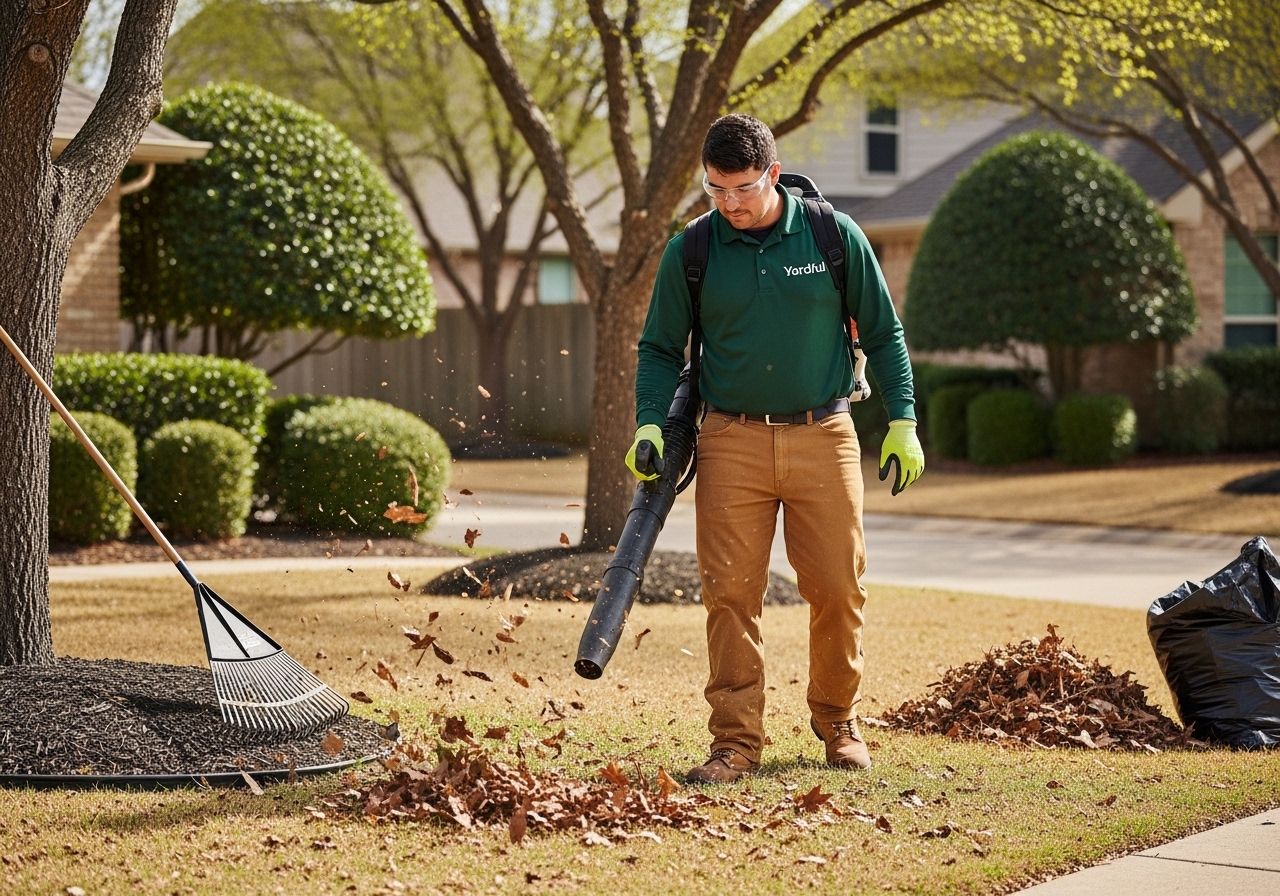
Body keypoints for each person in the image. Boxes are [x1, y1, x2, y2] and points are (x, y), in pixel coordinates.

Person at [626, 114, 924, 784]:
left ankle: (837, 719)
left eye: (744, 188)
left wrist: (903, 418)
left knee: (839, 588)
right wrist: (649, 422)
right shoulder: (694, 249)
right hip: (730, 438)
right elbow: (659, 348)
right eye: (716, 190)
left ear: (775, 174)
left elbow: (884, 332)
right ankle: (734, 742)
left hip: (825, 433)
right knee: (730, 595)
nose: (730, 203)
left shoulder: (831, 236)